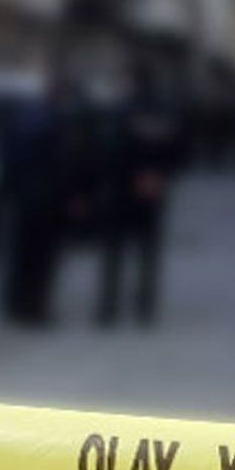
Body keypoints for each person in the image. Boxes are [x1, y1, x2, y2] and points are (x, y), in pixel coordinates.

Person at [96, 63, 186, 327]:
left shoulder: (121, 110)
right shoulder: (168, 112)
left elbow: (111, 149)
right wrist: (159, 176)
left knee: (114, 253)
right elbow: (179, 151)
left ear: (132, 81)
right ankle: (144, 309)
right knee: (147, 253)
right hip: (152, 190)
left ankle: (109, 308)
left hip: (121, 189)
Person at [0, 75, 70, 327]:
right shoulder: (57, 121)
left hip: (22, 196)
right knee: (42, 258)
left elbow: (5, 155)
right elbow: (62, 161)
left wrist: (10, 187)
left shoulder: (20, 118)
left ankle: (16, 304)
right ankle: (36, 308)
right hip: (46, 197)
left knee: (21, 254)